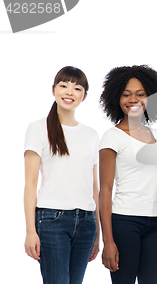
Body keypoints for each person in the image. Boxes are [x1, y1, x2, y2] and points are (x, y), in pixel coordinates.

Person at [99, 65, 157, 284]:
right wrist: (108, 241)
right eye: (126, 94)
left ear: (150, 97)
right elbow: (105, 189)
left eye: (140, 94)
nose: (134, 99)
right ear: (116, 97)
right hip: (123, 223)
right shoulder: (112, 137)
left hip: (152, 226)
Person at [24, 66, 100, 284]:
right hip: (51, 220)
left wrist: (98, 234)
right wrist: (30, 231)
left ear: (83, 96)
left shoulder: (91, 134)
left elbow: (94, 186)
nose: (69, 92)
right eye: (63, 85)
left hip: (86, 222)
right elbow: (30, 184)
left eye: (77, 88)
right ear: (53, 89)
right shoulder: (38, 128)